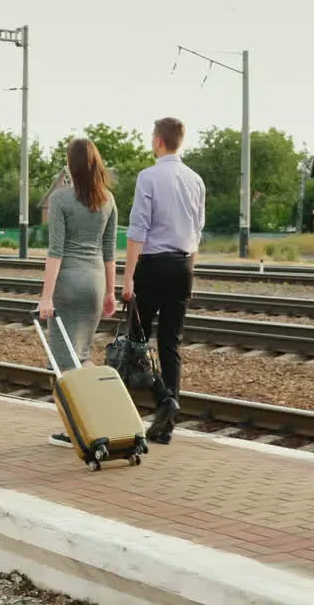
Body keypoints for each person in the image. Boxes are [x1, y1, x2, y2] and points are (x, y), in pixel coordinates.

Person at [122, 117, 206, 446]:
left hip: (152, 266)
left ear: (158, 141)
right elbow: (196, 232)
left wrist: (128, 276)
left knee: (136, 343)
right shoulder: (195, 180)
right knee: (171, 345)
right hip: (183, 266)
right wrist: (191, 272)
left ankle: (162, 400)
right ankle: (166, 427)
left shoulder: (148, 176)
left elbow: (138, 229)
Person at [37, 138, 118, 448]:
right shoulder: (107, 199)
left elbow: (55, 251)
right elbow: (110, 252)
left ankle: (76, 429)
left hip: (68, 284)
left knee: (61, 364)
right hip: (95, 284)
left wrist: (46, 297)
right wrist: (111, 293)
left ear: (71, 165)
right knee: (81, 356)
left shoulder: (60, 200)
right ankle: (102, 414)